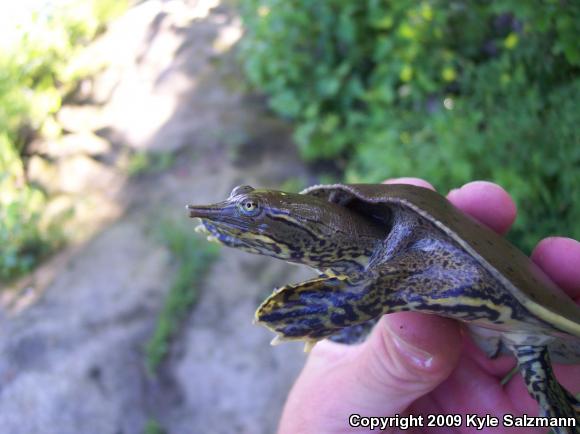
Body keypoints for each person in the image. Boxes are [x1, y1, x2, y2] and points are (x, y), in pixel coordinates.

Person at [277, 178, 580, 433]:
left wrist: (327, 310)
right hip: (486, 332)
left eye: (250, 208)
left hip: (528, 327)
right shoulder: (369, 255)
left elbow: (376, 284)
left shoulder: (401, 258)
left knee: (546, 393)